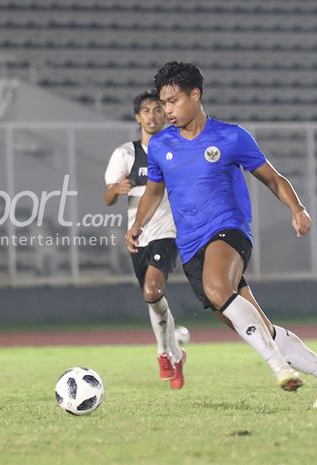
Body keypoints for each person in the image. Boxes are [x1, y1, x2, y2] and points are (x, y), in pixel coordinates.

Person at [125, 62, 317, 409]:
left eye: (173, 101)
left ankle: (278, 369)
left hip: (229, 232)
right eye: (163, 102)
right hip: (190, 249)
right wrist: (137, 225)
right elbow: (155, 190)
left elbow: (274, 178)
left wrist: (298, 209)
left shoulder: (230, 137)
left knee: (219, 288)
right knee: (261, 330)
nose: (167, 110)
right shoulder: (160, 145)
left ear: (195, 95)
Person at [104, 90, 186, 390]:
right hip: (137, 235)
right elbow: (108, 197)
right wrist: (116, 190)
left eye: (157, 110)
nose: (152, 115)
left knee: (153, 291)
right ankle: (173, 354)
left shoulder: (176, 149)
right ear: (138, 117)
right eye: (146, 111)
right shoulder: (125, 153)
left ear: (165, 115)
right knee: (152, 299)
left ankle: (165, 353)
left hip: (168, 231)